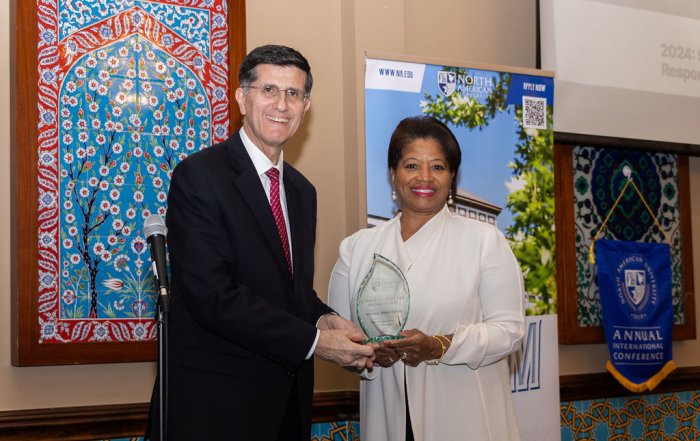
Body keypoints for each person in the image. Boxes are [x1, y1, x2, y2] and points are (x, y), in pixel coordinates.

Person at [148, 44, 374, 441]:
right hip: (217, 411)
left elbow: (289, 293)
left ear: (307, 106)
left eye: (293, 94)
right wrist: (317, 341)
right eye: (269, 90)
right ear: (241, 97)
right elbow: (212, 296)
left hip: (287, 407)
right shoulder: (199, 177)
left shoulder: (303, 192)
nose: (281, 105)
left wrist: (323, 318)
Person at [328, 115, 526, 441]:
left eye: (437, 167)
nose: (424, 177)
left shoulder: (484, 241)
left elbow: (511, 332)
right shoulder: (356, 249)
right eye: (411, 166)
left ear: (452, 177)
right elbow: (340, 339)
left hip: (466, 420)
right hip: (387, 418)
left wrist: (439, 346)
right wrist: (370, 353)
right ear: (393, 174)